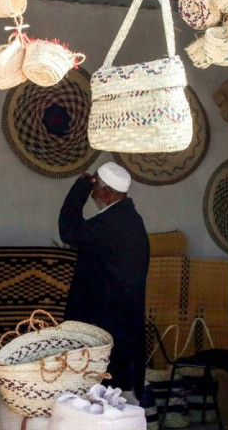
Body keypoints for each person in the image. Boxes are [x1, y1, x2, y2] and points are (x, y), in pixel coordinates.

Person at [58, 161, 150, 401]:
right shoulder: (131, 219)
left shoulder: (111, 222)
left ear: (107, 193)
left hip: (106, 321)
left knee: (104, 390)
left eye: (94, 190)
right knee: (119, 388)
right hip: (121, 319)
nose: (92, 196)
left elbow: (68, 230)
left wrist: (78, 190)